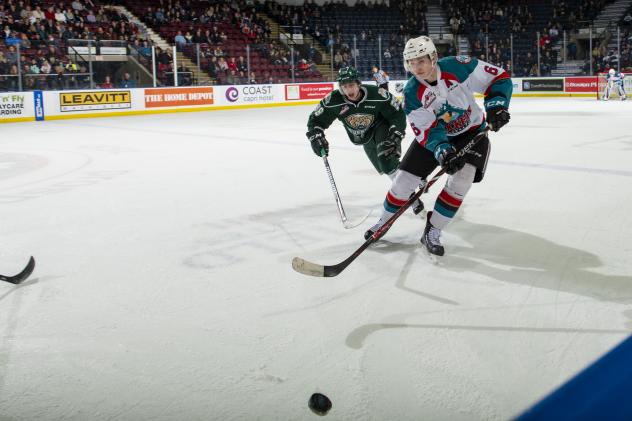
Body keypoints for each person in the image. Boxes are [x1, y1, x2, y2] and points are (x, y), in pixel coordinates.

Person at [364, 36, 512, 256]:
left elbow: (498, 78)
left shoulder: (457, 66)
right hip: (436, 138)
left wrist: (497, 105)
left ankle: (433, 229)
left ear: (433, 57)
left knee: (462, 179)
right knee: (404, 181)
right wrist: (443, 150)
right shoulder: (412, 93)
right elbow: (428, 130)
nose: (417, 67)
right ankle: (383, 222)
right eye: (412, 63)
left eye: (421, 61)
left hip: (470, 131)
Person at [306, 66, 424, 214]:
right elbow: (315, 120)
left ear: (358, 84)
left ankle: (410, 195)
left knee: (386, 159)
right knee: (386, 168)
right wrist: (316, 135)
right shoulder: (333, 100)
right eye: (345, 86)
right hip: (365, 138)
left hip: (381, 125)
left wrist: (397, 131)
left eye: (351, 85)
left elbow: (396, 113)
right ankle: (412, 178)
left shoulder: (377, 94)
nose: (349, 90)